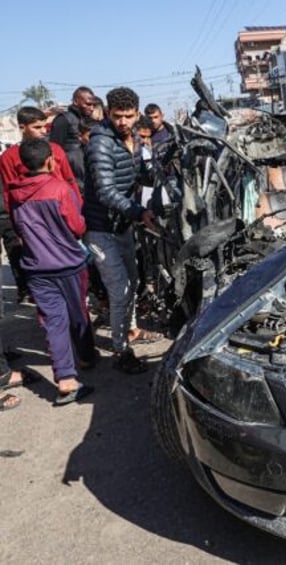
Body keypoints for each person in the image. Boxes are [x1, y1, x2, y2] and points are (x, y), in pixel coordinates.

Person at [8, 139, 97, 405]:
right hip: (68, 264)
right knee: (78, 313)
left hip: (36, 268)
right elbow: (77, 226)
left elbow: (18, 228)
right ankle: (86, 356)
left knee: (53, 322)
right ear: (50, 160)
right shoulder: (59, 188)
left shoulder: (13, 192)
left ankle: (66, 379)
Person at [83, 87, 161, 374]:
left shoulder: (136, 140)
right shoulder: (100, 144)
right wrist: (140, 213)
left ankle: (130, 331)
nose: (123, 122)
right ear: (108, 113)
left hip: (123, 225)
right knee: (120, 290)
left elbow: (140, 175)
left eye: (129, 116)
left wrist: (160, 172)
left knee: (133, 282)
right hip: (101, 228)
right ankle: (120, 351)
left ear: (137, 114)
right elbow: (105, 190)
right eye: (117, 116)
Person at [1, 107, 81, 305]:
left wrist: (77, 211)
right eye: (37, 127)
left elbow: (70, 181)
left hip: (62, 214)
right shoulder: (10, 157)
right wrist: (19, 229)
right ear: (22, 127)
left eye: (44, 126)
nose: (43, 131)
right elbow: (10, 194)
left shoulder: (56, 150)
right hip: (34, 221)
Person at [49, 86, 96, 188]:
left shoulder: (87, 120)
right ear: (76, 101)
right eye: (88, 104)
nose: (91, 108)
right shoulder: (64, 120)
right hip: (72, 178)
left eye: (93, 105)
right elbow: (55, 150)